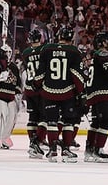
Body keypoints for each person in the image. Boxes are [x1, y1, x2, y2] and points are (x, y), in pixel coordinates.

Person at [34, 27, 85, 163]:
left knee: (51, 122)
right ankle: (66, 149)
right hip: (67, 92)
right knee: (68, 121)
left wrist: (37, 85)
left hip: (49, 91)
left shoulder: (47, 49)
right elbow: (76, 75)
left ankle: (52, 150)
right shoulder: (74, 51)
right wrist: (81, 92)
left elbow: (40, 72)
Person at [84, 32, 108, 163]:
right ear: (103, 43)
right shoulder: (102, 54)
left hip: (95, 92)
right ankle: (98, 149)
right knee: (107, 119)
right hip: (101, 92)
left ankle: (90, 149)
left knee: (97, 122)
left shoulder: (95, 55)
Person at [21, 29, 46, 158]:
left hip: (29, 88)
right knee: (44, 118)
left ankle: (32, 143)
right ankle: (37, 143)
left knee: (32, 118)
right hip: (41, 88)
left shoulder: (25, 53)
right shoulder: (44, 50)